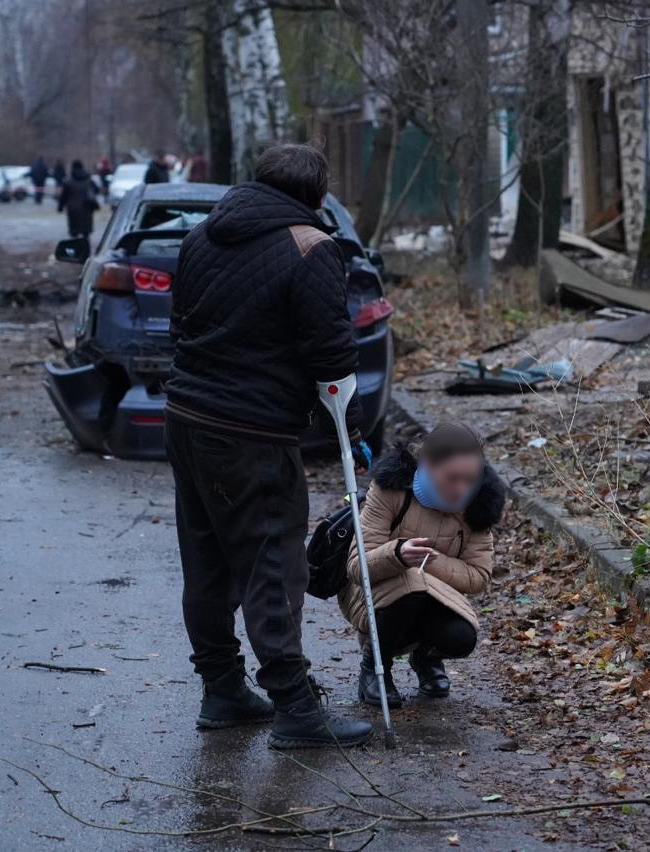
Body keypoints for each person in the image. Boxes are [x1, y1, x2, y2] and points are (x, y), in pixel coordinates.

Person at [164, 143, 374, 749]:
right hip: (252, 435)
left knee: (205, 561)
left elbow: (181, 326)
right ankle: (296, 709)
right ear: (316, 195)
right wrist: (351, 431)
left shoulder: (201, 238)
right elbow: (331, 356)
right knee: (273, 565)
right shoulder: (313, 249)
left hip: (187, 419)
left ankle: (222, 689)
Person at [341, 423, 505, 707]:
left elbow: (479, 576)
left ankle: (427, 658)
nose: (461, 489)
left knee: (461, 637)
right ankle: (375, 668)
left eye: (470, 479)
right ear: (427, 464)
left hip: (439, 597)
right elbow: (357, 566)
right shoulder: (390, 489)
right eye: (452, 478)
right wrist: (398, 554)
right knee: (412, 588)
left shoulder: (480, 503)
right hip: (376, 594)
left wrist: (429, 560)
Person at [57, 160, 98, 239]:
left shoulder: (68, 182)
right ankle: (86, 249)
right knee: (86, 233)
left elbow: (63, 196)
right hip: (87, 208)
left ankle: (76, 249)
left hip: (73, 210)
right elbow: (96, 190)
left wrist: (60, 207)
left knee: (74, 234)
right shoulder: (88, 180)